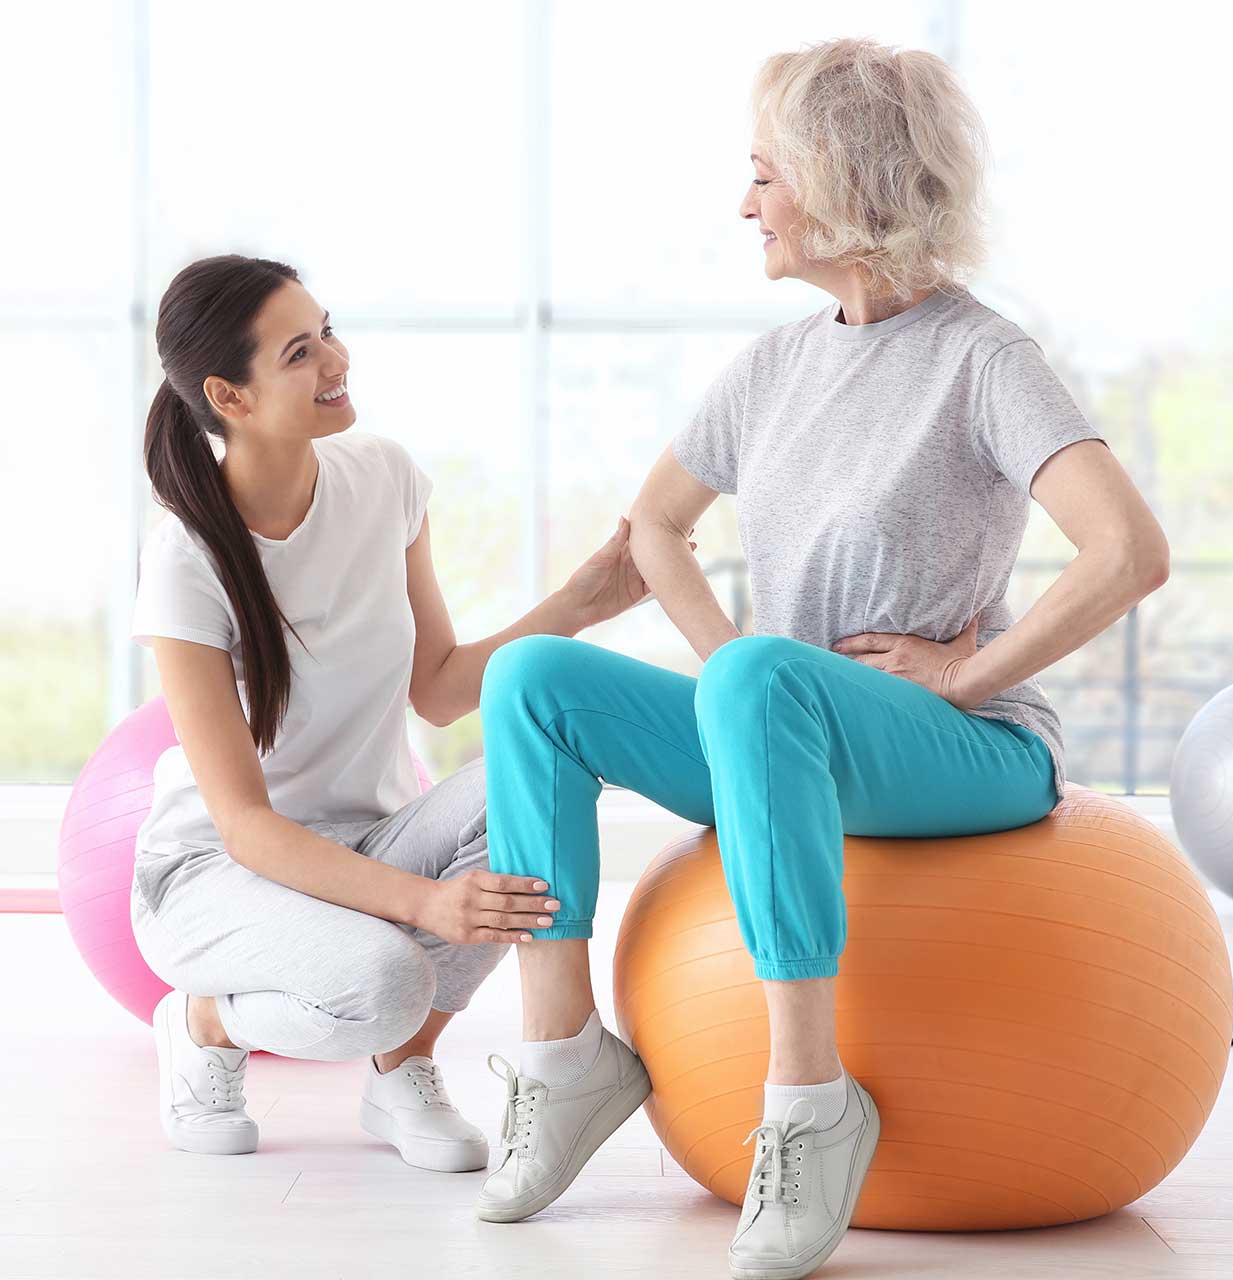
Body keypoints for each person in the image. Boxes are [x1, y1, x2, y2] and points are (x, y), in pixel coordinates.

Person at [473, 35, 1170, 1280]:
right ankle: (563, 1056)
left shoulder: (980, 358)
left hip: (965, 749)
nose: (744, 204)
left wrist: (963, 672)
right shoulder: (773, 366)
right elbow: (653, 526)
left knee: (751, 680)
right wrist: (726, 659)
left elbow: (1126, 549)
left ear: (839, 177)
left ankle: (806, 1097)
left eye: (762, 174)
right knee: (530, 680)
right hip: (783, 728)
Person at [128, 253, 674, 1168]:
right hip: (215, 872)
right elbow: (249, 826)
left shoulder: (382, 479)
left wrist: (579, 603)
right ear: (230, 396)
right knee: (386, 978)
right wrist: (426, 901)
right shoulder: (185, 558)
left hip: (365, 838)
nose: (336, 361)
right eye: (299, 353)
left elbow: (441, 685)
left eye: (328, 330)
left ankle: (402, 1067)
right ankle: (203, 1020)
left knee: (536, 777)